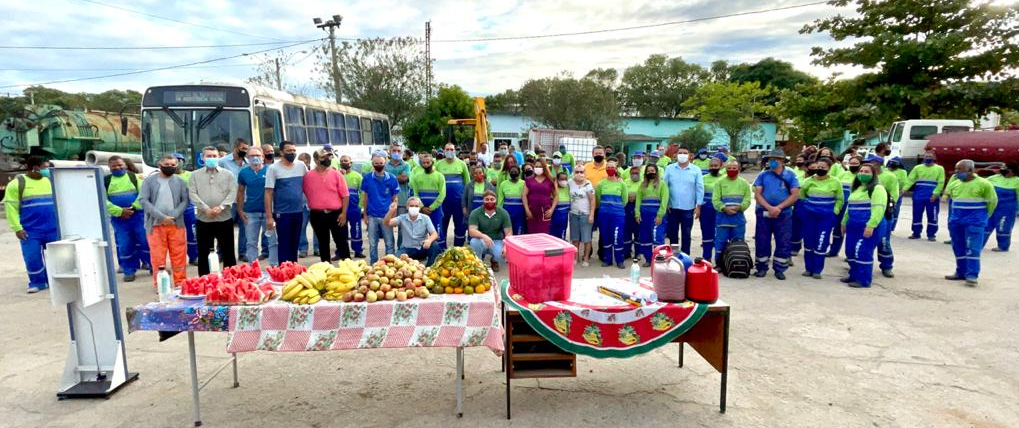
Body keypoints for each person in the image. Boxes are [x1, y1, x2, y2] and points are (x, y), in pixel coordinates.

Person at [5, 156, 59, 293]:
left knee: (58, 256)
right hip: (30, 230)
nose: (48, 170)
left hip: (53, 228)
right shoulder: (17, 184)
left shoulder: (51, 181)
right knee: (32, 257)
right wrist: (17, 228)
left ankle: (55, 280)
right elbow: (11, 208)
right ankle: (38, 282)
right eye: (46, 167)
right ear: (36, 168)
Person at [139, 154, 190, 286]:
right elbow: (144, 201)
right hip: (155, 225)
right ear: (159, 165)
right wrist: (161, 217)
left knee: (179, 255)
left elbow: (185, 201)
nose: (170, 167)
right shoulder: (149, 181)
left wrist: (173, 215)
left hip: (176, 224)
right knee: (158, 257)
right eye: (167, 165)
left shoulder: (180, 182)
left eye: (173, 165)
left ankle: (180, 283)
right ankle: (161, 285)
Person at [945, 160, 997, 286]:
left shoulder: (984, 184)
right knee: (958, 247)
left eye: (960, 170)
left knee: (973, 248)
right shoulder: (955, 184)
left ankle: (972, 275)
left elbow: (992, 202)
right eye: (956, 169)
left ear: (970, 170)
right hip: (956, 221)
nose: (957, 172)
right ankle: (960, 272)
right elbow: (952, 202)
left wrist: (984, 217)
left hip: (975, 221)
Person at [188, 146, 238, 275]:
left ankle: (230, 278)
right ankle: (205, 279)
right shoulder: (194, 175)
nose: (211, 158)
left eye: (214, 156)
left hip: (224, 218)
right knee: (204, 252)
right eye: (208, 156)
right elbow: (193, 194)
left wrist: (221, 207)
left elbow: (232, 193)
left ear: (219, 157)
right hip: (204, 219)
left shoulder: (228, 174)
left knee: (228, 252)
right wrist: (205, 208)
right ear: (202, 158)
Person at [752, 149, 800, 280]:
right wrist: (768, 207)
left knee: (783, 241)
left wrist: (778, 207)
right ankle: (761, 267)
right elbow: (757, 194)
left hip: (783, 214)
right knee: (762, 240)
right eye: (770, 159)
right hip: (764, 212)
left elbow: (795, 194)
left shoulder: (791, 175)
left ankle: (779, 268)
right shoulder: (763, 175)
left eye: (775, 159)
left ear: (782, 161)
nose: (772, 161)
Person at [841, 164, 888, 288]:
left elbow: (879, 209)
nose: (863, 173)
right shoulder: (856, 189)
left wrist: (871, 226)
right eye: (861, 171)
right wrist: (844, 222)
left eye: (867, 172)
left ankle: (863, 280)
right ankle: (854, 275)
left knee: (862, 251)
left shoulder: (877, 189)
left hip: (868, 226)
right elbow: (848, 207)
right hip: (853, 225)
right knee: (850, 251)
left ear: (873, 175)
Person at [104, 156, 150, 282]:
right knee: (125, 244)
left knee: (145, 241)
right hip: (119, 220)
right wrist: (120, 212)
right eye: (114, 166)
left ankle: (152, 265)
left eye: (120, 164)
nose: (117, 167)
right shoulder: (105, 181)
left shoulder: (135, 177)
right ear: (109, 167)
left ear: (125, 164)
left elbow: (143, 194)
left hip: (138, 216)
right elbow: (103, 200)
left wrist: (133, 208)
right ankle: (129, 270)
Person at [797, 158, 843, 279]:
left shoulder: (835, 182)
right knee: (808, 242)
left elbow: (840, 199)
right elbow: (801, 195)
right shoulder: (808, 181)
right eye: (818, 167)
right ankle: (808, 269)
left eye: (823, 167)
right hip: (810, 216)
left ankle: (817, 270)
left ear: (829, 168)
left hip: (826, 217)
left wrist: (835, 211)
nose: (820, 169)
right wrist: (807, 204)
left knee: (821, 242)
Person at [304, 149, 351, 263]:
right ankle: (326, 268)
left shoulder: (336, 174)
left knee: (341, 242)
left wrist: (344, 213)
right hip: (317, 215)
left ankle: (349, 269)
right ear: (316, 160)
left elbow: (345, 195)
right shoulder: (308, 176)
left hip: (337, 214)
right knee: (323, 243)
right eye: (323, 157)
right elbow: (305, 192)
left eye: (328, 157)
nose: (327, 159)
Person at [265, 141, 307, 263]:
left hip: (299, 211)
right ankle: (283, 271)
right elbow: (268, 193)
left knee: (295, 243)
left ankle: (293, 269)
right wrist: (269, 217)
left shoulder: (301, 166)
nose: (292, 153)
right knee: (284, 243)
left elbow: (308, 185)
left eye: (294, 151)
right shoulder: (273, 168)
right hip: (282, 213)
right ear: (281, 152)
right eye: (289, 151)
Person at [237, 147, 278, 266]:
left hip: (269, 212)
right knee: (251, 242)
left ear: (263, 157)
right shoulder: (243, 173)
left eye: (258, 155)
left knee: (273, 241)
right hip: (250, 212)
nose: (255, 158)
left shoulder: (270, 170)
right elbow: (240, 192)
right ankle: (253, 268)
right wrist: (240, 210)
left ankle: (274, 266)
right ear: (247, 158)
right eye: (251, 156)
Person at [663, 146, 704, 255]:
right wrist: (665, 202)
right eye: (680, 153)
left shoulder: (696, 170)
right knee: (673, 234)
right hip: (672, 207)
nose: (682, 155)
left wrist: (698, 206)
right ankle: (674, 256)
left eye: (685, 153)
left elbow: (700, 188)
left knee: (686, 234)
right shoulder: (669, 169)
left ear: (689, 155)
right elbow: (664, 186)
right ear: (676, 155)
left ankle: (685, 256)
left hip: (688, 208)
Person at [361, 154, 400, 264]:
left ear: (385, 163)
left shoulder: (392, 178)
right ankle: (374, 265)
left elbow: (395, 198)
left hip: (386, 216)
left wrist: (394, 215)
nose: (379, 165)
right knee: (373, 243)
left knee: (389, 243)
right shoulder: (367, 178)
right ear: (372, 164)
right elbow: (366, 197)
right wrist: (365, 214)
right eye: (376, 163)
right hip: (372, 216)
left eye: (381, 163)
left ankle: (390, 264)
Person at [712, 160, 752, 261]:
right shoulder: (719, 183)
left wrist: (740, 207)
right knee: (720, 243)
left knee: (738, 243)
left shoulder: (744, 183)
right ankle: (719, 263)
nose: (731, 170)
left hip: (738, 221)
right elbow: (715, 200)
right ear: (725, 170)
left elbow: (747, 200)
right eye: (729, 168)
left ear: (739, 169)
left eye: (734, 168)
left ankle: (738, 262)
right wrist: (724, 208)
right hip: (722, 220)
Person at [383, 197, 441, 265]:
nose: (414, 208)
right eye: (411, 206)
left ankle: (429, 267)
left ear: (419, 208)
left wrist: (429, 240)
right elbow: (387, 223)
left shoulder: (425, 218)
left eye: (416, 206)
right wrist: (391, 211)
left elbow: (434, 234)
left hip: (422, 248)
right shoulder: (402, 218)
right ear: (407, 207)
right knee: (395, 260)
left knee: (435, 245)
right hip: (407, 249)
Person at [869, 155, 899, 278]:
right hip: (867, 213)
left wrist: (887, 209)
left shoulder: (890, 177)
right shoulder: (866, 176)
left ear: (879, 164)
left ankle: (887, 266)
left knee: (883, 241)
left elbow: (894, 195)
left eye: (873, 163)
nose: (870, 166)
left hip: (883, 213)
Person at [219, 139, 250, 261]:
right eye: (242, 148)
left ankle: (243, 252)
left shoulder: (248, 162)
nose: (245, 151)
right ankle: (222, 252)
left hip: (245, 199)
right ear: (235, 147)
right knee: (224, 228)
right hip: (228, 200)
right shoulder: (223, 162)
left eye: (246, 149)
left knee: (245, 227)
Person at [905, 150, 946, 241]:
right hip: (918, 196)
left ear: (934, 158)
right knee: (916, 215)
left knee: (933, 216)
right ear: (923, 157)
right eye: (926, 156)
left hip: (932, 197)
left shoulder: (939, 169)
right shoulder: (917, 168)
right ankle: (916, 233)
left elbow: (941, 182)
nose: (928, 158)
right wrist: (904, 189)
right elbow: (910, 180)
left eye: (930, 156)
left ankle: (931, 234)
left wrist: (935, 194)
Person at [468, 191, 513, 272]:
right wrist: (484, 236)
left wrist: (506, 246)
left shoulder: (503, 213)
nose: (489, 201)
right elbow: (471, 231)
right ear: (483, 200)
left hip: (497, 241)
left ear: (496, 200)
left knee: (502, 257)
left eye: (492, 199)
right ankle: (478, 263)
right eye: (487, 199)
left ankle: (494, 261)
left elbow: (509, 232)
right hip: (482, 241)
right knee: (474, 242)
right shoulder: (475, 212)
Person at [436, 143, 470, 247]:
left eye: (452, 149)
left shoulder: (462, 164)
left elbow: (467, 183)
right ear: (444, 151)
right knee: (442, 225)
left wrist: (466, 202)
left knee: (460, 226)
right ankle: (442, 251)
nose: (449, 151)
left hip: (458, 202)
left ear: (455, 151)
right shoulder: (438, 164)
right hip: (443, 202)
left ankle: (458, 249)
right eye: (447, 149)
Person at [596, 160, 629, 269]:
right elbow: (598, 198)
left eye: (612, 167)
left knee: (617, 236)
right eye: (608, 167)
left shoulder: (621, 183)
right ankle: (607, 259)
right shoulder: (601, 184)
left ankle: (619, 260)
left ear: (616, 168)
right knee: (605, 236)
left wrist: (616, 208)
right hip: (604, 215)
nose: (610, 169)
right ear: (605, 169)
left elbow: (625, 200)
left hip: (618, 215)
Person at [410, 153, 447, 246]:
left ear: (432, 162)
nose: (426, 164)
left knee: (437, 230)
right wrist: (422, 207)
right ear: (421, 164)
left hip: (435, 210)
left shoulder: (439, 176)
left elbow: (442, 194)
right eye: (424, 163)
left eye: (428, 162)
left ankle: (440, 251)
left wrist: (431, 208)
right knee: (420, 231)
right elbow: (415, 194)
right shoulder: (417, 177)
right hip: (421, 210)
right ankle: (423, 251)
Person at [635, 164, 669, 266]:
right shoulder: (642, 185)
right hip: (644, 215)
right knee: (645, 238)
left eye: (653, 170)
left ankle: (659, 260)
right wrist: (637, 214)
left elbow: (664, 200)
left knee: (657, 238)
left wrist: (660, 215)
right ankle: (648, 260)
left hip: (656, 215)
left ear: (656, 172)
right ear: (645, 173)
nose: (651, 172)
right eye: (648, 171)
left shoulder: (662, 184)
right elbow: (638, 200)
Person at [828, 155, 861, 257]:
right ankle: (834, 251)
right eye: (851, 163)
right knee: (837, 230)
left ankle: (852, 255)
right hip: (842, 206)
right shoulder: (842, 175)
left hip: (854, 208)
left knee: (853, 232)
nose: (853, 165)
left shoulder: (862, 176)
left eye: (855, 164)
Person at [985, 164, 1019, 252]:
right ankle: (978, 244)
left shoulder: (1017, 181)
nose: (1003, 169)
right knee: (985, 225)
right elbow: (982, 186)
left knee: (1003, 227)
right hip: (992, 206)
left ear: (1012, 171)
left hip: (1007, 209)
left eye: (1006, 168)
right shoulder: (994, 178)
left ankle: (1003, 246)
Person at [697, 155, 725, 262]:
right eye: (712, 165)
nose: (714, 167)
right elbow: (699, 194)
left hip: (720, 210)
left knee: (721, 234)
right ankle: (707, 257)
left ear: (721, 166)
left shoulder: (724, 179)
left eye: (716, 165)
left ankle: (720, 259)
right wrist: (698, 208)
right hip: (706, 209)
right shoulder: (703, 178)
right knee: (707, 233)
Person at [336, 155, 365, 258]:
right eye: (342, 161)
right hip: (340, 209)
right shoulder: (337, 175)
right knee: (340, 231)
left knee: (356, 230)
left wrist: (360, 205)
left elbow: (362, 192)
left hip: (354, 208)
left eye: (346, 161)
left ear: (351, 163)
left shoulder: (357, 176)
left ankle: (358, 250)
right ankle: (340, 252)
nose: (344, 162)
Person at [568, 166, 596, 266]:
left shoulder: (588, 184)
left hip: (586, 214)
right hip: (574, 214)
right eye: (577, 172)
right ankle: (576, 258)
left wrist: (591, 214)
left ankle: (586, 258)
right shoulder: (570, 182)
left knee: (586, 238)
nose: (579, 174)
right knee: (575, 238)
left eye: (581, 172)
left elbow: (593, 200)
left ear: (585, 172)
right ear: (573, 172)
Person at [523, 158, 556, 235]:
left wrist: (551, 209)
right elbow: (524, 195)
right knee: (532, 234)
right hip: (532, 211)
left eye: (540, 167)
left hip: (545, 211)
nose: (538, 168)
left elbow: (556, 196)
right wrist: (527, 210)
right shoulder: (528, 180)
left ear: (544, 167)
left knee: (544, 235)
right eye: (536, 167)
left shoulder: (551, 180)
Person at [497, 165, 527, 235]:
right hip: (507, 213)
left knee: (519, 234)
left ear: (519, 173)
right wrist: (499, 212)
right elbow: (500, 201)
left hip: (520, 214)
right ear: (509, 173)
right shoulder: (503, 184)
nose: (513, 173)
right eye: (512, 171)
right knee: (507, 233)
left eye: (515, 171)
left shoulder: (524, 183)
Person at [622, 162, 643, 259]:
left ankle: (638, 253)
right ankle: (626, 252)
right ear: (630, 174)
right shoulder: (625, 181)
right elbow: (622, 193)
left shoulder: (643, 182)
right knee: (627, 231)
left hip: (639, 207)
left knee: (638, 231)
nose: (635, 175)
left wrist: (636, 198)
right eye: (633, 173)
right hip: (627, 207)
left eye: (637, 173)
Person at [885, 157, 909, 232]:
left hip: (897, 193)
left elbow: (905, 182)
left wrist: (903, 190)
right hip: (885, 193)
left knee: (894, 210)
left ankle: (891, 227)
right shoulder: (884, 170)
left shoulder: (902, 172)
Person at [550, 170, 571, 241]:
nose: (564, 181)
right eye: (561, 179)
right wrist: (555, 185)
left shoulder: (568, 188)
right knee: (552, 236)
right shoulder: (552, 189)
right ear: (557, 180)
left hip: (564, 219)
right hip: (554, 218)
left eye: (565, 179)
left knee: (562, 237)